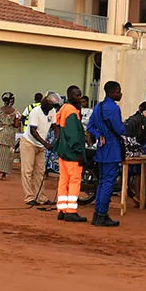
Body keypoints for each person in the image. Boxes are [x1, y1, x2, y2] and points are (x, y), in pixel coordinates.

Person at [86, 81, 126, 227]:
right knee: (108, 182)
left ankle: (98, 214)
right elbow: (120, 129)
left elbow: (90, 126)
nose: (120, 94)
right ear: (111, 92)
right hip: (112, 147)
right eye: (118, 91)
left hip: (102, 148)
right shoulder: (113, 109)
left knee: (102, 182)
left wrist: (98, 134)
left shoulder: (98, 107)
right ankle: (102, 215)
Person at [53, 85, 88, 223]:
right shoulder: (72, 112)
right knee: (74, 181)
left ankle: (61, 209)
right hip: (72, 153)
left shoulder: (64, 109)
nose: (79, 98)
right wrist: (79, 153)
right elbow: (74, 135)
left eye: (79, 95)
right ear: (69, 96)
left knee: (63, 180)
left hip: (63, 151)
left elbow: (57, 127)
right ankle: (71, 211)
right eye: (76, 95)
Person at [20, 91, 58, 207]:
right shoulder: (35, 112)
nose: (52, 107)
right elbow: (33, 131)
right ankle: (29, 197)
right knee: (27, 171)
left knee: (40, 172)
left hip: (40, 145)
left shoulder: (52, 111)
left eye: (54, 105)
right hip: (29, 143)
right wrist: (46, 144)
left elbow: (55, 126)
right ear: (45, 102)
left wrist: (57, 138)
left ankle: (41, 197)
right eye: (51, 104)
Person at [0, 92, 21, 180]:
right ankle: (3, 175)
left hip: (0, 133)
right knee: (7, 154)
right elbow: (16, 125)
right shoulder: (16, 112)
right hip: (10, 134)